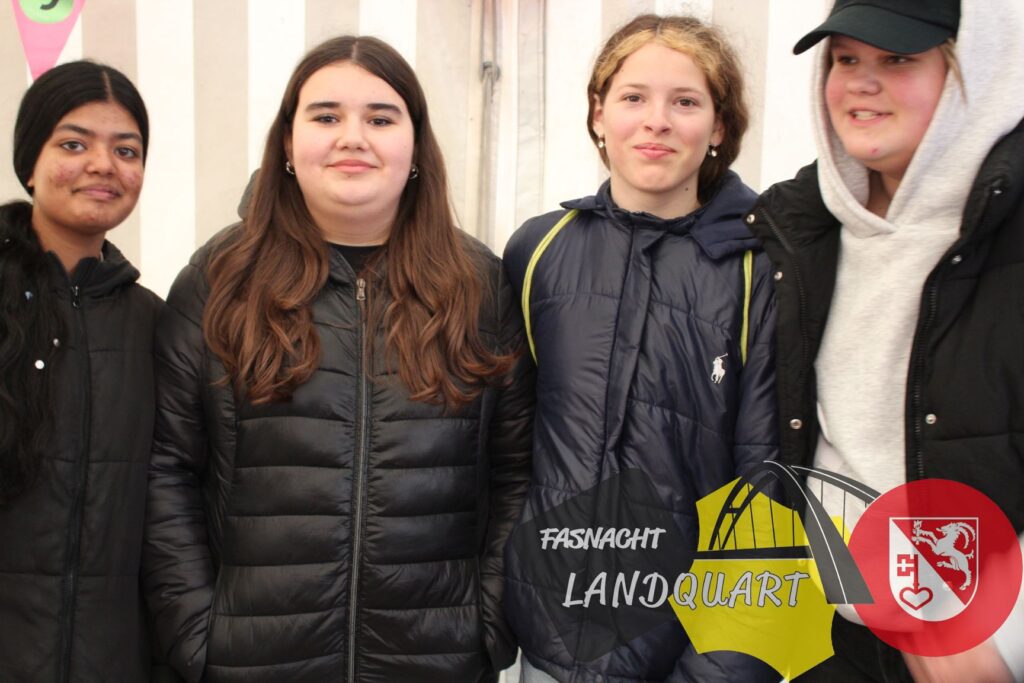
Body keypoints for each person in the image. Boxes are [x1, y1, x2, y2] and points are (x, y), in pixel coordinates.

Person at [142, 35, 534, 683]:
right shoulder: (219, 280)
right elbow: (168, 470)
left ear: (416, 147)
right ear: (288, 143)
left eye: (380, 118)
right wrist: (196, 636)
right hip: (250, 664)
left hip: (435, 661)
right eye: (326, 116)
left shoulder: (481, 287)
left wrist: (487, 627)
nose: (353, 137)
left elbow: (517, 473)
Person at [749, 0, 1024, 680]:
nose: (862, 83)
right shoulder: (799, 228)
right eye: (846, 59)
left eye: (899, 59)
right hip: (827, 641)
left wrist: (1004, 636)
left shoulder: (1007, 227)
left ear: (975, 68)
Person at [502, 14, 778, 682]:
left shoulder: (759, 268)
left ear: (719, 126)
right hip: (549, 645)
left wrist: (719, 669)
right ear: (599, 114)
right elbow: (505, 452)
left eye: (685, 101)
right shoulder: (538, 250)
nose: (657, 121)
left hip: (686, 654)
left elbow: (768, 490)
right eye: (633, 97)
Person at [0, 61, 162, 681]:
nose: (103, 165)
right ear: (30, 162)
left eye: (126, 150)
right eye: (74, 144)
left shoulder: (158, 325)